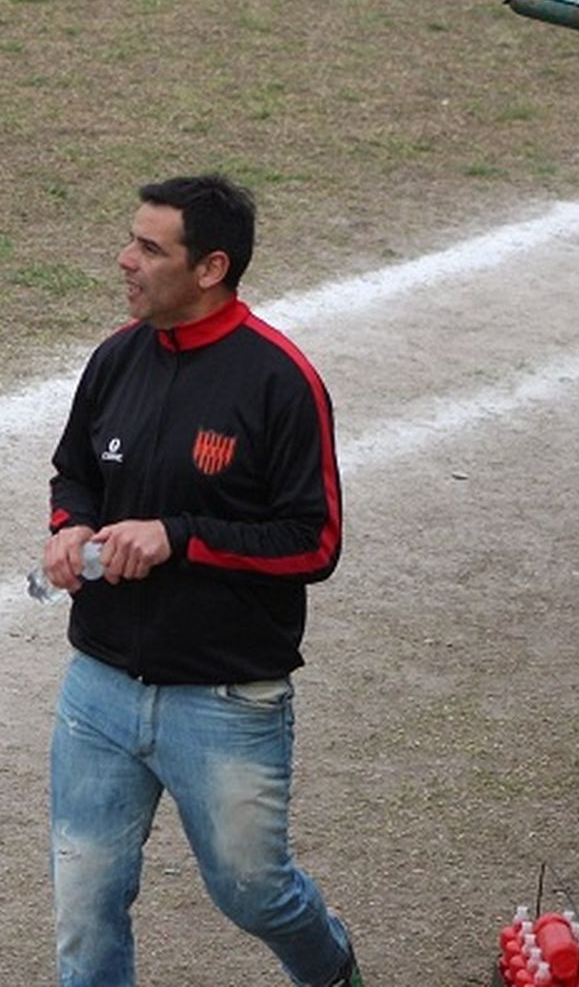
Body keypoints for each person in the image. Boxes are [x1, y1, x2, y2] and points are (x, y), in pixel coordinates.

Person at [40, 174, 361, 987]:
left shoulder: (278, 381)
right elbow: (73, 472)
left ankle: (333, 974)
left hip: (222, 703)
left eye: (150, 248)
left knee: (255, 894)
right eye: (131, 240)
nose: (126, 260)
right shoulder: (117, 357)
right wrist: (69, 525)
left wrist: (180, 538)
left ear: (211, 267)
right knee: (85, 903)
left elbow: (312, 541)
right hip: (100, 690)